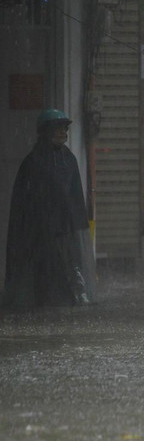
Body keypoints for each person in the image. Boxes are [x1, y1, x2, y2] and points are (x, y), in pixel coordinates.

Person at [3, 108, 95, 311]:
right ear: (46, 132)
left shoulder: (68, 159)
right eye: (58, 129)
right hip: (40, 231)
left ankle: (73, 298)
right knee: (44, 273)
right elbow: (25, 202)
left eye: (65, 129)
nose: (63, 133)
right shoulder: (33, 162)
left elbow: (74, 196)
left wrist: (75, 225)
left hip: (66, 229)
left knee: (70, 266)